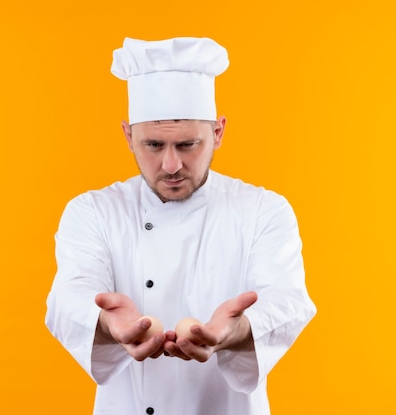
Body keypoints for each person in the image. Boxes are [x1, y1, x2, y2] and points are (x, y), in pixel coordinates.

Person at [45, 37, 316, 415]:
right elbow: (69, 297)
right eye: (153, 146)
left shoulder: (263, 210)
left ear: (218, 133)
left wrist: (233, 333)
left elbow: (286, 301)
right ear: (127, 136)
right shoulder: (92, 212)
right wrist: (108, 324)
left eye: (188, 145)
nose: (171, 165)